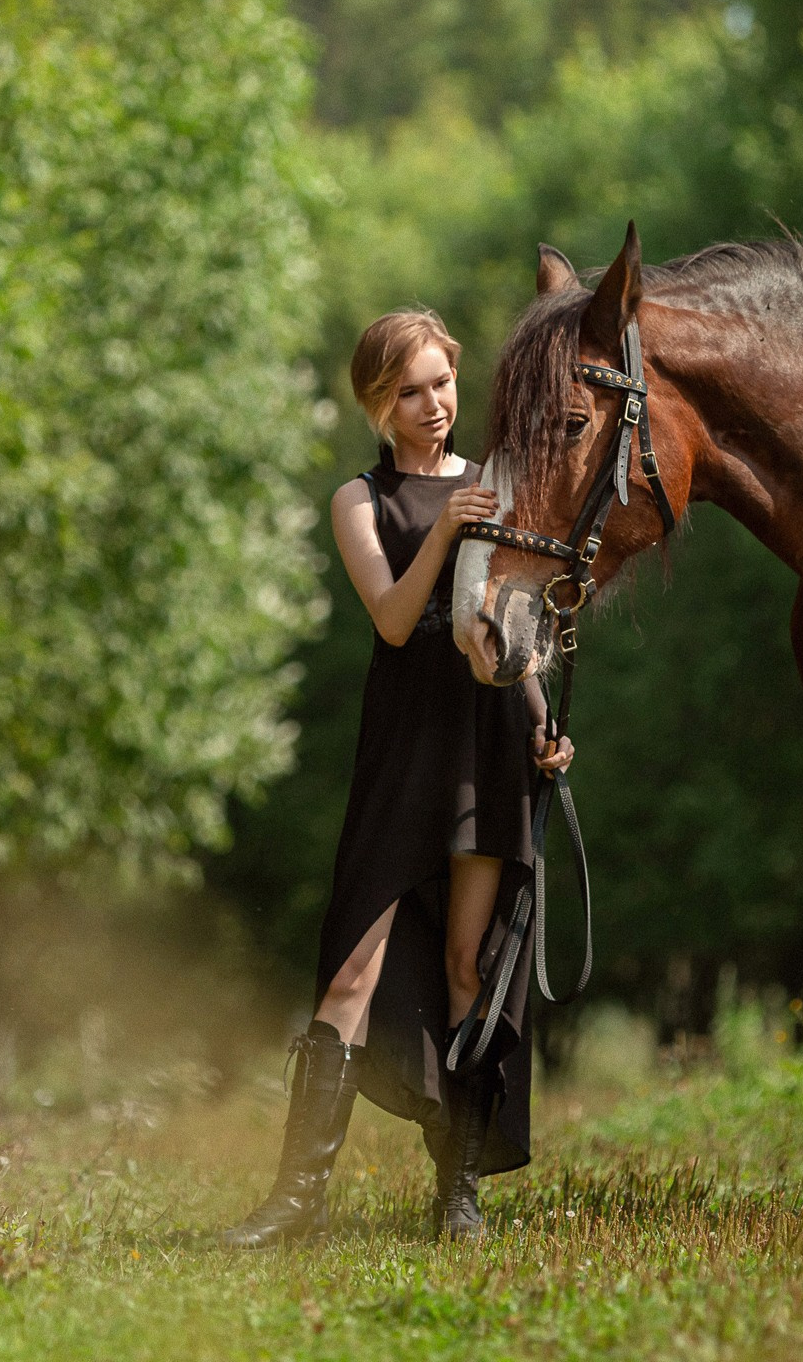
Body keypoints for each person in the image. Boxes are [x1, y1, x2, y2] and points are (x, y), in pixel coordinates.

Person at [220, 308, 573, 1249]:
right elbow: (390, 617)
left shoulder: (499, 487)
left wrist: (542, 725)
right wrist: (444, 532)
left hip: (487, 739)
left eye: (442, 383)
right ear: (378, 404)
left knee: (468, 965)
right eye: (408, 391)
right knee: (348, 975)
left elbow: (514, 624)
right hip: (404, 747)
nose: (433, 406)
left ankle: (456, 1196)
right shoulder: (358, 501)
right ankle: (298, 1201)